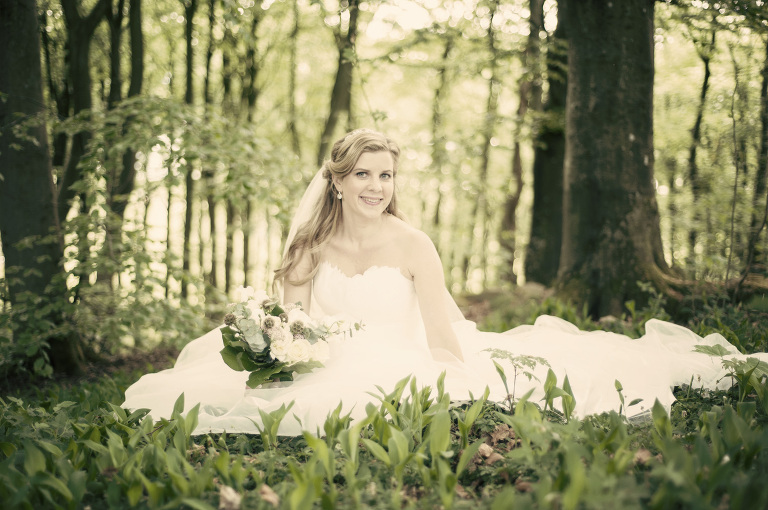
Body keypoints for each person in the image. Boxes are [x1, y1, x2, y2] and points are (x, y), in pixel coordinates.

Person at [123, 129, 767, 436]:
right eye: (364, 174)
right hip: (325, 358)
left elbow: (440, 331)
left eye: (386, 175)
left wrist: (456, 382)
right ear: (337, 181)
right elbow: (290, 326)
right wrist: (277, 358)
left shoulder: (414, 245)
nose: (377, 187)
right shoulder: (307, 248)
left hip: (407, 356)